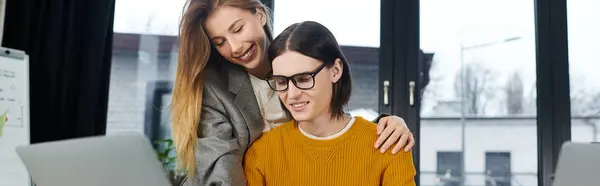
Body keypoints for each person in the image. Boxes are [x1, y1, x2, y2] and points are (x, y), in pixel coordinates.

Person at [171, 0, 416, 185]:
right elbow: (222, 171)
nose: (235, 47)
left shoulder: (296, 55)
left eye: (238, 29)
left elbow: (331, 130)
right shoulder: (215, 91)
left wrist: (386, 125)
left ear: (259, 15)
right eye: (220, 41)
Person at [242, 21, 416, 186]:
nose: (292, 94)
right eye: (281, 82)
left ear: (336, 71)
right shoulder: (261, 154)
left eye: (303, 79)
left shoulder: (389, 145)